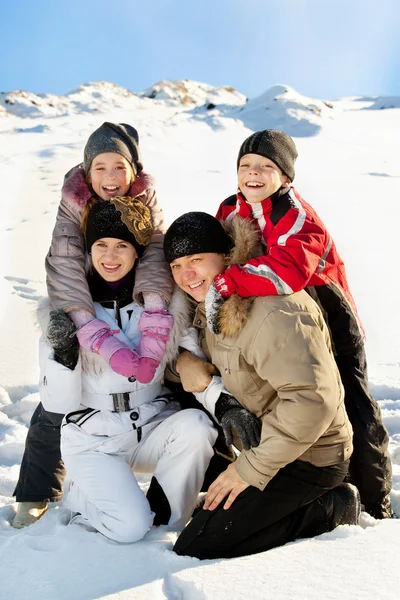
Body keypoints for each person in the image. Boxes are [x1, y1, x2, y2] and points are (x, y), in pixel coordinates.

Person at [208, 130, 392, 520]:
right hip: (286, 323)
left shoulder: (296, 215)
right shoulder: (229, 208)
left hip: (331, 318)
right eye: (245, 166)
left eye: (266, 167)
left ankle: (374, 501)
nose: (253, 174)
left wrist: (231, 282)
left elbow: (287, 271)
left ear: (285, 177)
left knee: (352, 405)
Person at [164, 211, 360, 560]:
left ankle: (333, 506)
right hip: (271, 446)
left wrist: (249, 469)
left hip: (312, 457)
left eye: (196, 260)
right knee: (204, 531)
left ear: (225, 256)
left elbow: (312, 402)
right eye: (177, 265)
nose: (186, 275)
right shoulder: (217, 301)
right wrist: (184, 363)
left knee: (199, 544)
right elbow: (210, 364)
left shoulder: (272, 310)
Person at [22, 200, 217, 542]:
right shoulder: (65, 311)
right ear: (90, 249)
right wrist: (65, 354)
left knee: (197, 427)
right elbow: (58, 405)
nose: (110, 256)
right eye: (101, 245)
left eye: (122, 245)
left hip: (151, 422)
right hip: (94, 438)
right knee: (128, 528)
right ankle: (82, 501)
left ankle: (168, 521)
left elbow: (194, 359)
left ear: (138, 252)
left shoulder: (167, 303)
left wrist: (214, 392)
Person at [13, 122, 175, 528]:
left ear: (133, 171)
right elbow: (65, 264)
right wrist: (87, 327)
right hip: (82, 293)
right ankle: (35, 491)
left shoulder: (146, 198)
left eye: (118, 167)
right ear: (87, 172)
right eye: (99, 168)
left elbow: (155, 253)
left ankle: (203, 476)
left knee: (170, 383)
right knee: (65, 388)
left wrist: (155, 316)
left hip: (134, 294)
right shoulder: (74, 200)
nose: (110, 178)